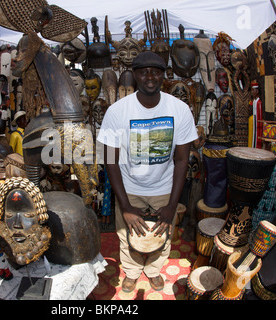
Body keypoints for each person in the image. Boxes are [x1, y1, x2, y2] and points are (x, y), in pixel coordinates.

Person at [97, 51, 198, 292]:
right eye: (143, 72)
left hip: (164, 188)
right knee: (128, 236)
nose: (149, 77)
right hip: (128, 188)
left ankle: (153, 270)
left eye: (155, 71)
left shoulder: (180, 110)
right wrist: (125, 206)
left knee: (162, 236)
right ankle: (131, 271)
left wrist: (173, 205)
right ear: (134, 75)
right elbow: (110, 160)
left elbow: (182, 160)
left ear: (164, 75)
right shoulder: (117, 111)